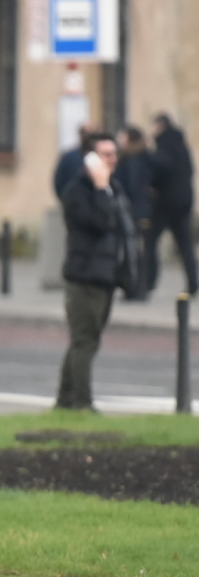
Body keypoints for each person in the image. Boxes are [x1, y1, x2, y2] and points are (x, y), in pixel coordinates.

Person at [56, 132, 135, 410]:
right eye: (105, 154)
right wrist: (101, 188)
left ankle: (65, 401)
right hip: (84, 275)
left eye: (114, 154)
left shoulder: (114, 187)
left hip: (105, 276)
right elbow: (100, 222)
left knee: (86, 340)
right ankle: (81, 403)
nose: (112, 160)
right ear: (89, 158)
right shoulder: (79, 192)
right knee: (84, 341)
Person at [147, 113, 198, 295]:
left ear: (161, 126)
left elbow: (160, 170)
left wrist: (152, 185)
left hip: (165, 202)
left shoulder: (164, 146)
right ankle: (193, 282)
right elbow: (190, 171)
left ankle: (148, 281)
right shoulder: (182, 146)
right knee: (185, 245)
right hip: (184, 201)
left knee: (150, 240)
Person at [113, 126, 152, 300]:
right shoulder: (132, 158)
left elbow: (132, 187)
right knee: (133, 250)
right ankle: (132, 286)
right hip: (134, 209)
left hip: (133, 210)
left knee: (134, 250)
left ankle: (136, 288)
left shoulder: (133, 160)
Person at [53, 124, 93, 201]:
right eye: (84, 133)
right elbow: (59, 181)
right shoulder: (69, 157)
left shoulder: (99, 155)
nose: (87, 136)